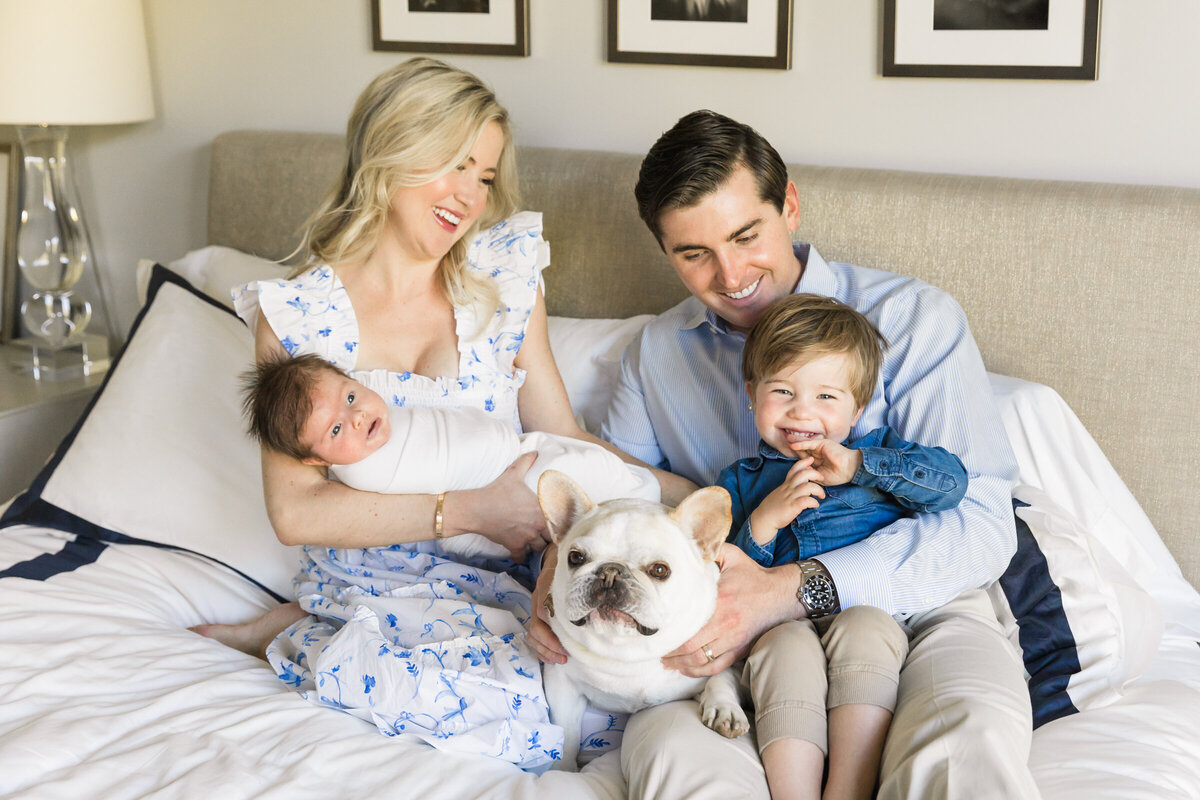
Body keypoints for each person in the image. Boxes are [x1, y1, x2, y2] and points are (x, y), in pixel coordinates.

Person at [193, 57, 691, 772]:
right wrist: (469, 509)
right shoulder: (299, 316)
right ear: (393, 149)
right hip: (371, 579)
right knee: (487, 704)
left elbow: (566, 439)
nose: (468, 195)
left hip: (500, 579)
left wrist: (704, 498)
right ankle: (302, 622)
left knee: (603, 694)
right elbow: (297, 512)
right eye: (454, 166)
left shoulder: (504, 283)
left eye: (484, 177)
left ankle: (298, 629)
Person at [526, 110, 1038, 798]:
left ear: (789, 205)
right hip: (721, 630)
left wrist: (790, 591)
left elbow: (980, 525)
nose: (732, 274)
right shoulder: (656, 354)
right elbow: (622, 500)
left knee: (963, 745)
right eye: (692, 253)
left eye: (747, 235)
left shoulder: (916, 322)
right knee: (676, 756)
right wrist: (563, 574)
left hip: (925, 604)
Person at [718, 293, 973, 800]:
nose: (801, 413)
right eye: (783, 391)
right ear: (751, 393)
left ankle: (850, 787)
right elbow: (727, 574)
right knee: (781, 648)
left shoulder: (881, 455)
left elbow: (952, 484)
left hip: (867, 609)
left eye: (826, 398)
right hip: (779, 623)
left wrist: (862, 467)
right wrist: (765, 522)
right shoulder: (741, 481)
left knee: (866, 626)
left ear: (858, 406)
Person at [239, 351, 661, 560]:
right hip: (513, 494)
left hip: (522, 456)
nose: (356, 417)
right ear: (317, 462)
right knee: (590, 484)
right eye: (334, 430)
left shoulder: (382, 419)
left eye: (350, 396)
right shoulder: (366, 473)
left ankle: (655, 506)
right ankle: (651, 508)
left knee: (593, 471)